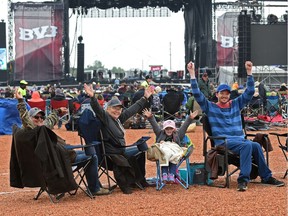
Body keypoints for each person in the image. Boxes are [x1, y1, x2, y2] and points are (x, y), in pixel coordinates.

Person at [187, 60, 285, 191]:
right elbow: (198, 94)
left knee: (255, 145)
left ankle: (266, 177)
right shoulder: (210, 107)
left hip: (239, 140)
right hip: (223, 142)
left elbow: (250, 91)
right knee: (247, 145)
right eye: (221, 93)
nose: (224, 96)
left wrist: (249, 73)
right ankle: (243, 180)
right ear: (217, 95)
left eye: (226, 93)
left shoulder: (236, 104)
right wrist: (192, 74)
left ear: (229, 95)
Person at [15, 89, 110, 196]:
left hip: (59, 156)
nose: (40, 119)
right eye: (36, 117)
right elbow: (25, 119)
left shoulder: (41, 128)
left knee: (87, 152)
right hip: (57, 161)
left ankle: (95, 186)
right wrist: (21, 102)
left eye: (41, 117)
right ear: (30, 119)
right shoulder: (31, 131)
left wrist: (57, 112)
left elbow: (50, 121)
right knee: (92, 156)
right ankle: (94, 188)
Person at [84, 83, 153, 194]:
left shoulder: (118, 119)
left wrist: (145, 98)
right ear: (107, 109)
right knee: (134, 153)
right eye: (114, 109)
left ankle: (140, 180)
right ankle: (130, 182)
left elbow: (132, 109)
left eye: (119, 109)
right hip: (111, 155)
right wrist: (92, 97)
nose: (117, 111)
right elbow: (97, 109)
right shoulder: (105, 118)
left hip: (121, 151)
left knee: (141, 150)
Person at [143, 108, 198, 182]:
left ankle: (172, 174)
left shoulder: (178, 134)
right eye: (167, 129)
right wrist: (150, 117)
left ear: (174, 129)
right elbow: (155, 125)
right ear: (164, 129)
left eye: (171, 128)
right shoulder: (160, 133)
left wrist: (190, 118)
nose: (169, 130)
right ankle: (164, 173)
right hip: (164, 153)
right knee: (164, 155)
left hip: (174, 153)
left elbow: (184, 127)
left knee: (173, 157)